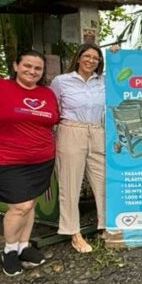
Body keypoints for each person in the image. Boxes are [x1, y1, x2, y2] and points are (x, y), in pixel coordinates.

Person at [0, 51, 60, 276]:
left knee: (29, 204)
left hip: (40, 160)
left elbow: (53, 120)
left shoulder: (47, 93)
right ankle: (9, 251)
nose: (32, 71)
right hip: (4, 159)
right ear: (16, 65)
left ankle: (24, 247)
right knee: (20, 206)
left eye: (37, 68)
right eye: (27, 66)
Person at [50, 43, 106, 254]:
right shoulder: (62, 81)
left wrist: (119, 55)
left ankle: (104, 226)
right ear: (79, 57)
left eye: (96, 58)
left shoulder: (103, 81)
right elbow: (53, 108)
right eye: (87, 56)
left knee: (103, 181)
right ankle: (74, 232)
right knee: (69, 183)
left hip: (97, 130)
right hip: (70, 130)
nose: (91, 60)